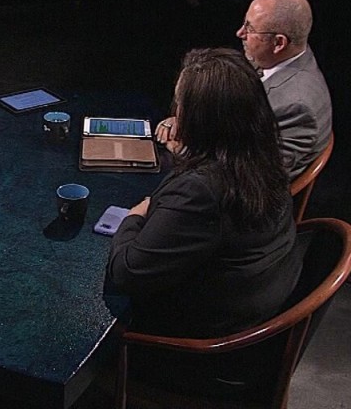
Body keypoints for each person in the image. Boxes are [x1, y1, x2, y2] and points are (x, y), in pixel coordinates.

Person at [107, 48, 301, 396]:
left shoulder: (202, 192)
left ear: (199, 119)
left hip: (197, 355)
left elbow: (127, 273)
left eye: (181, 105)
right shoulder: (262, 159)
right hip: (247, 326)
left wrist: (135, 217)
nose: (175, 112)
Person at [155, 0, 332, 179]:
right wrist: (191, 118)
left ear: (279, 43)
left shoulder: (296, 107)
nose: (240, 33)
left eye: (250, 28)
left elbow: (252, 178)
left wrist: (183, 148)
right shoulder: (278, 58)